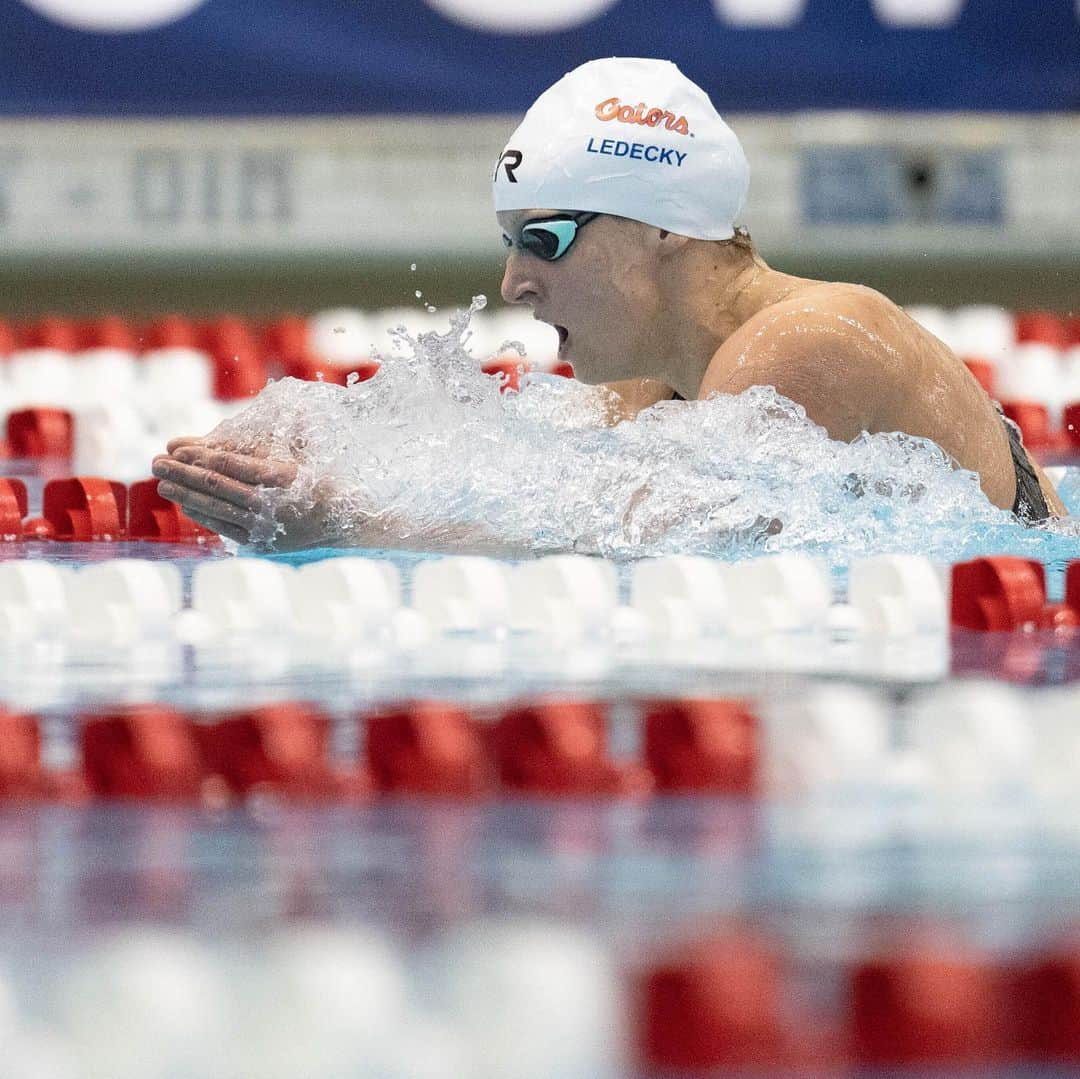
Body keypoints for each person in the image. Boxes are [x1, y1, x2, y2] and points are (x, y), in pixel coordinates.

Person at [153, 57, 1064, 548]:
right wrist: (305, 445)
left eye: (543, 239)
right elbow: (527, 494)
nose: (514, 282)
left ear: (663, 226)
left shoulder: (817, 335)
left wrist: (349, 521)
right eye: (510, 245)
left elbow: (648, 533)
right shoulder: (654, 380)